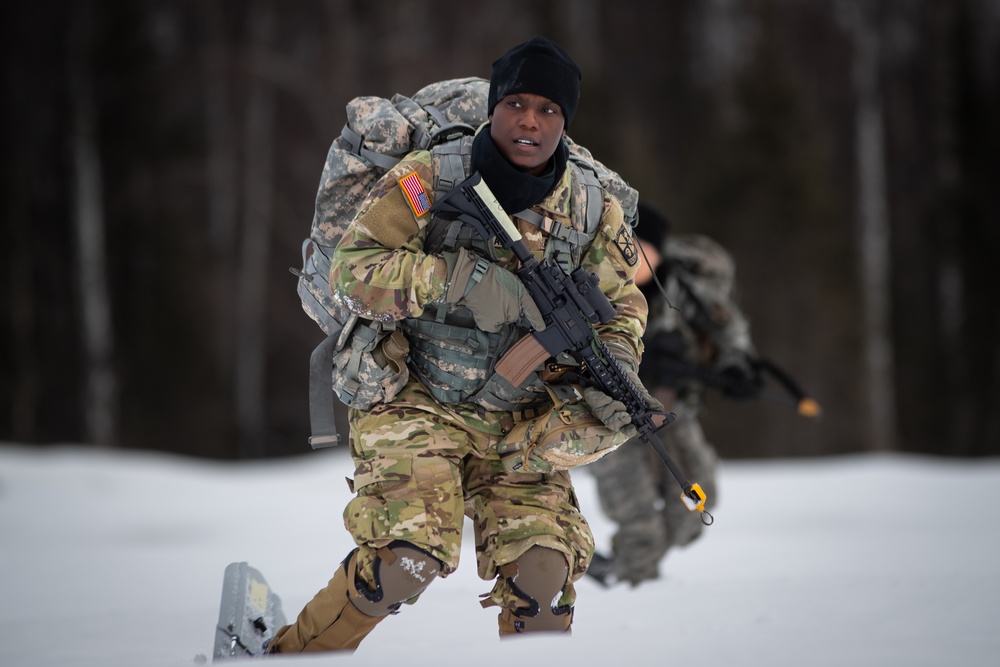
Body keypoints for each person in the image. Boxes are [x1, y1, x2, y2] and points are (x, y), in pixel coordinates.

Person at [266, 36, 656, 653]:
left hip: (523, 422)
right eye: (517, 104)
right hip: (415, 396)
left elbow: (622, 310)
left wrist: (616, 376)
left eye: (549, 110)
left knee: (544, 580)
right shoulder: (432, 177)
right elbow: (354, 269)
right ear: (495, 107)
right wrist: (461, 283)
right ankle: (291, 656)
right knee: (404, 562)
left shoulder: (591, 207)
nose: (530, 120)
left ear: (565, 122)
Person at [586, 202, 762, 587]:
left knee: (696, 506)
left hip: (672, 413)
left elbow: (728, 329)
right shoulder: (597, 284)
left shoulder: (684, 292)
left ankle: (619, 571)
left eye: (644, 246)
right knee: (639, 522)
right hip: (611, 424)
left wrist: (735, 367)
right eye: (627, 243)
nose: (634, 255)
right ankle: (634, 593)